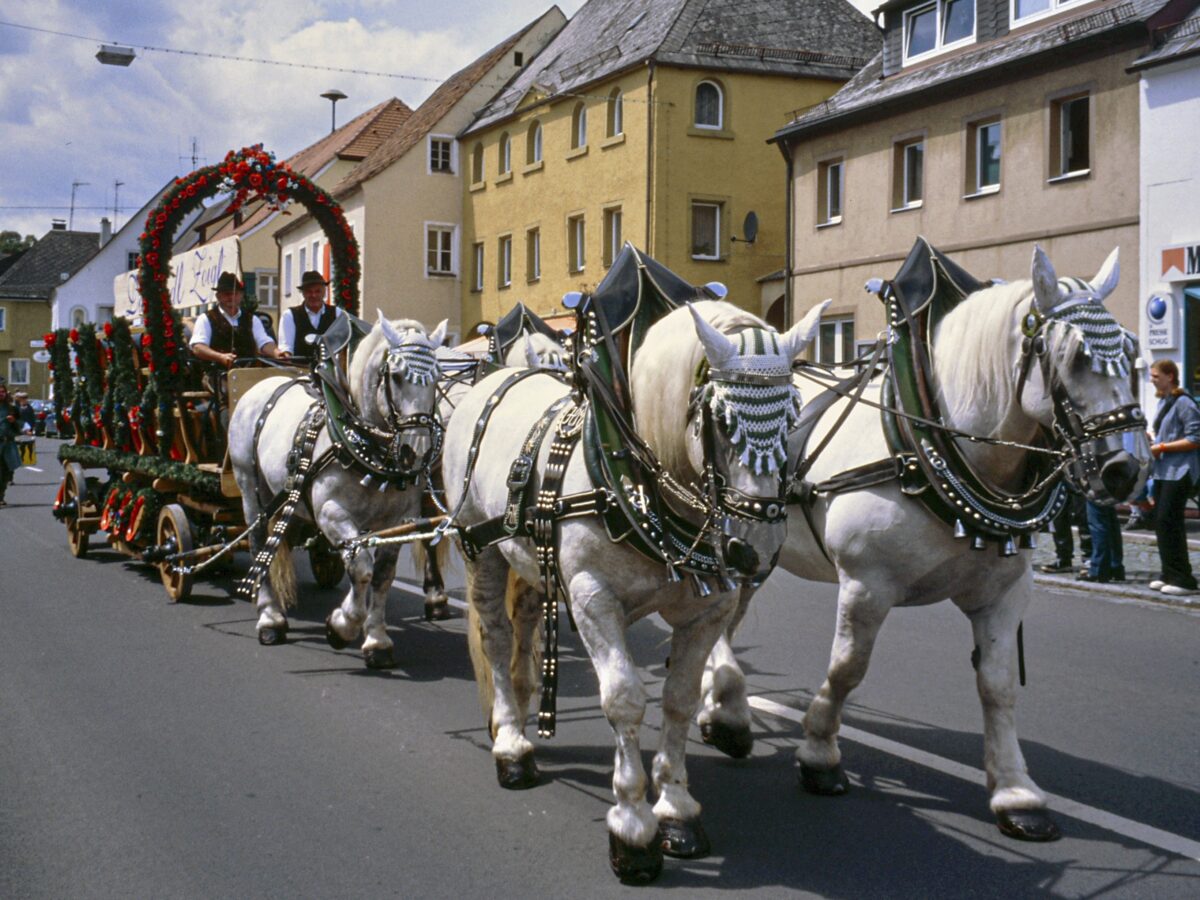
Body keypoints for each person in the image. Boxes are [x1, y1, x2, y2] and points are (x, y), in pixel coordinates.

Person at [1147, 359, 1200, 596]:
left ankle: (1183, 578)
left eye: (1156, 376)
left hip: (1181, 470)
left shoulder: (1184, 402)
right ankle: (1168, 572)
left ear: (1170, 376)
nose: (1152, 380)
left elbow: (1195, 438)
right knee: (1161, 521)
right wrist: (1153, 440)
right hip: (1163, 470)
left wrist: (1162, 447)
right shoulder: (1164, 402)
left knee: (1169, 520)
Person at [189, 271, 287, 369]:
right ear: (218, 296)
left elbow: (264, 342)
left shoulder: (252, 319)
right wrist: (220, 357)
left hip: (248, 374)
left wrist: (277, 353)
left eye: (235, 294)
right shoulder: (206, 318)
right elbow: (198, 347)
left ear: (241, 296)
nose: (231, 297)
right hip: (216, 374)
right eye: (227, 294)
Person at [277, 270, 343, 363]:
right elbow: (286, 348)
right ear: (303, 293)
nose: (314, 295)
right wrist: (286, 357)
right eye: (309, 291)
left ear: (324, 292)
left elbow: (342, 345)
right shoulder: (289, 315)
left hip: (330, 370)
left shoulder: (337, 313)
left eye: (318, 291)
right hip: (299, 369)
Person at [0, 379, 22, 507]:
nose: (1, 394)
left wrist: (14, 421)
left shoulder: (11, 409)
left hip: (7, 444)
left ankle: (1, 496)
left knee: (5, 472)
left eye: (3, 392)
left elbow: (19, 428)